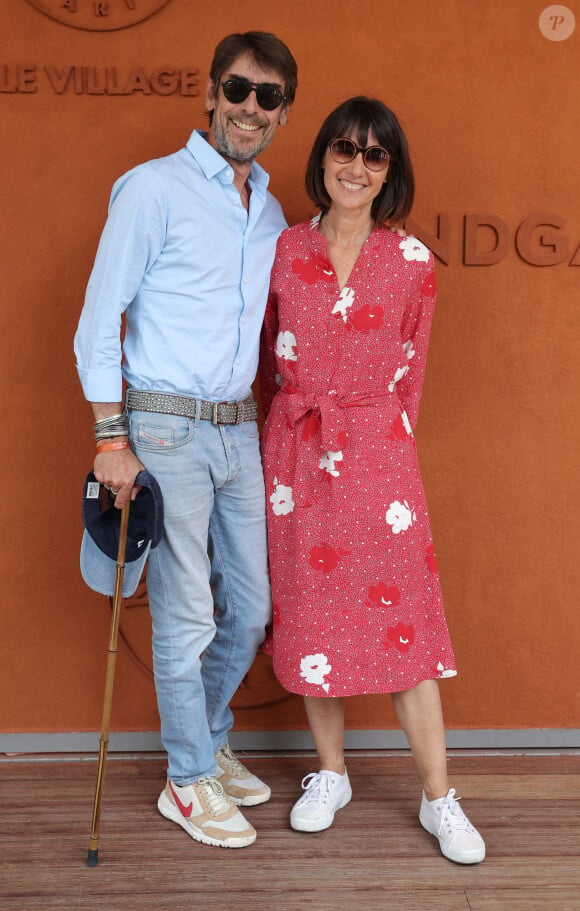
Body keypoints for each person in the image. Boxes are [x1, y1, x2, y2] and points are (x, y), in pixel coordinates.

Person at [74, 31, 297, 850]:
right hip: (163, 424)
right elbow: (99, 319)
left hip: (240, 429)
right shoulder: (153, 190)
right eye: (238, 90)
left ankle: (204, 741)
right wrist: (110, 436)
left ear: (282, 113)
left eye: (268, 98)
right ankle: (187, 776)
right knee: (186, 613)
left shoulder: (268, 209)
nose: (250, 108)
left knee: (253, 609)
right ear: (211, 93)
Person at [259, 96, 486, 864]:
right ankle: (331, 775)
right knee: (313, 616)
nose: (356, 166)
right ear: (322, 156)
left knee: (408, 631)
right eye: (344, 149)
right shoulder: (283, 248)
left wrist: (385, 451)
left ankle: (438, 796)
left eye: (374, 154)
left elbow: (412, 374)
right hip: (293, 455)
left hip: (380, 462)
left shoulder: (414, 261)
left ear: (391, 170)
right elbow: (261, 359)